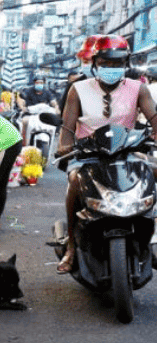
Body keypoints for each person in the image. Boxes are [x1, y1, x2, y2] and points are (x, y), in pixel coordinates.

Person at [56, 35, 157, 273]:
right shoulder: (77, 89)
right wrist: (65, 146)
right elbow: (68, 128)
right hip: (88, 155)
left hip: (127, 152)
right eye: (105, 63)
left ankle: (151, 238)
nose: (111, 68)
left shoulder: (138, 88)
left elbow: (154, 117)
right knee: (74, 184)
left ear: (126, 64)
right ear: (95, 63)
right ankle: (71, 246)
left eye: (117, 63)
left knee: (153, 175)